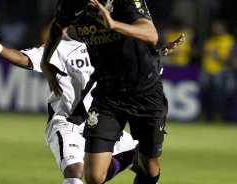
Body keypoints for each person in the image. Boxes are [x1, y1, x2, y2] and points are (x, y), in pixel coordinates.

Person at [0, 25, 139, 184]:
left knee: (147, 163)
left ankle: (113, 167)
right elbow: (24, 59)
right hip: (69, 124)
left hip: (101, 124)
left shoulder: (104, 46)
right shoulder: (58, 47)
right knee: (75, 171)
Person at [40, 0, 184, 183]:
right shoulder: (70, 3)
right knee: (93, 177)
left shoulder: (125, 2)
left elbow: (151, 33)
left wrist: (113, 25)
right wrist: (46, 60)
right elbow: (57, 24)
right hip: (108, 95)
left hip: (145, 93)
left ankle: (132, 157)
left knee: (149, 169)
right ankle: (131, 157)